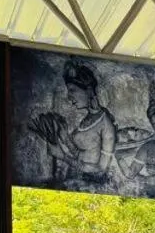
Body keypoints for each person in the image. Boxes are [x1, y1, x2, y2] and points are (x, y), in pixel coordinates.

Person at [29, 60, 121, 189]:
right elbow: (81, 154)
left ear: (89, 90)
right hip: (76, 178)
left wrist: (63, 156)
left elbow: (100, 169)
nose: (69, 96)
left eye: (72, 90)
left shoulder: (106, 125)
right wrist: (65, 137)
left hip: (91, 186)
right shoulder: (88, 118)